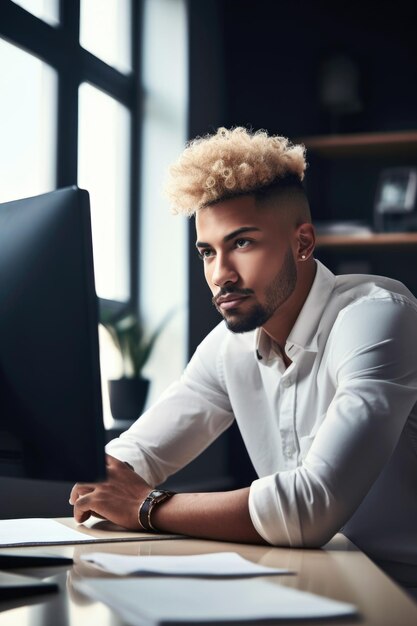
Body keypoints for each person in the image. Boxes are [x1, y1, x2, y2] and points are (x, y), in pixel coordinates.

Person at [71, 127, 417, 590]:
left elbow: (310, 508)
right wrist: (103, 483)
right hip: (302, 584)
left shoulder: (377, 319)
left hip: (400, 591)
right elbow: (133, 459)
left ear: (303, 243)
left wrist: (145, 506)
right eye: (207, 252)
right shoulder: (229, 346)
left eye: (242, 243)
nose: (220, 275)